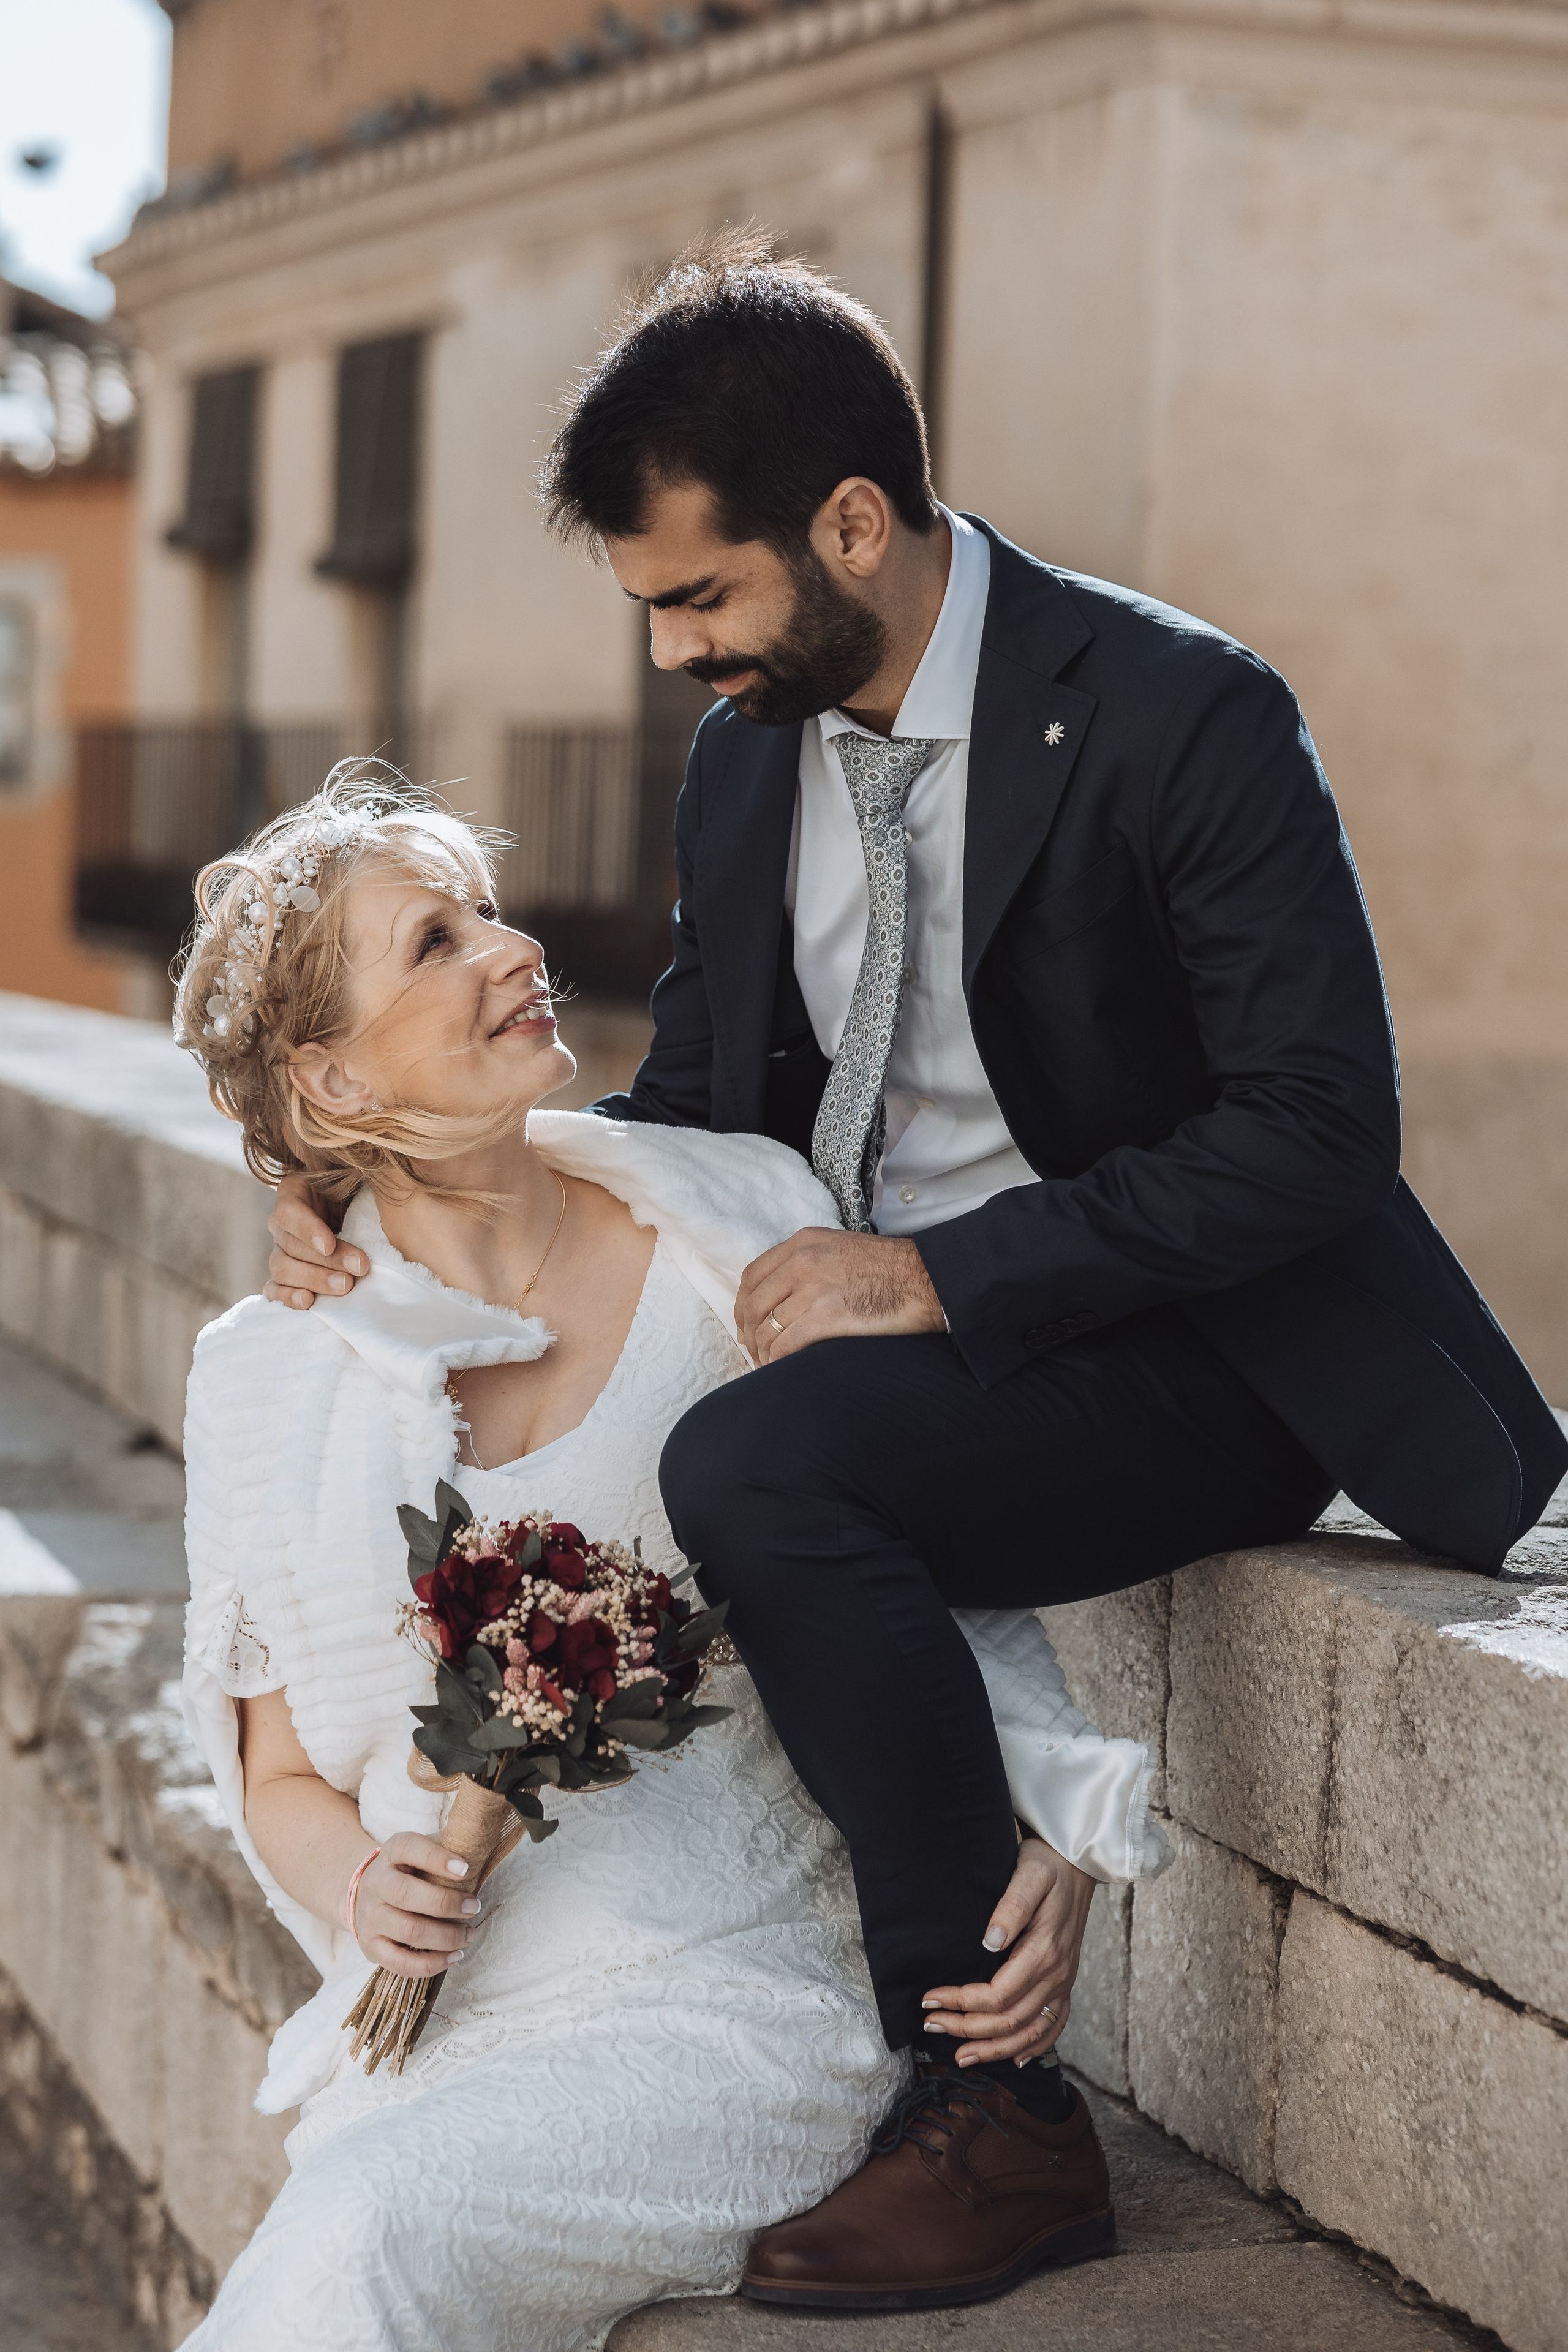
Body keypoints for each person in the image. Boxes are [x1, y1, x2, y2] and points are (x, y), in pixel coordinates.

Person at [266, 232, 1567, 2310]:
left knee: (761, 1468)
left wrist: (944, 1276)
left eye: (703, 595)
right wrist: (372, 1197)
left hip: (1202, 1351)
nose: (675, 649)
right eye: (651, 607)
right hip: (891, 1363)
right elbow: (701, 1107)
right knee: (690, 1448)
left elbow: (1316, 1132)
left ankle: (995, 2111)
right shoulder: (746, 753)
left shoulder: (1185, 713)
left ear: (854, 524)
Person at [176, 777, 1168, 2351]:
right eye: (436, 941)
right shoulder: (263, 1374)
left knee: (358, 2245)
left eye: (488, 912)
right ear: (331, 1076)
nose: (515, 951)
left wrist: (1043, 1826)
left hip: (746, 1987)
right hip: (446, 2025)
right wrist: (364, 1888)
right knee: (341, 2246)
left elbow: (919, 1562)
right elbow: (277, 1773)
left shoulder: (744, 1232)